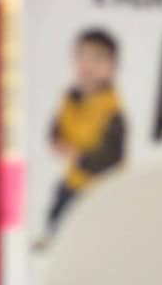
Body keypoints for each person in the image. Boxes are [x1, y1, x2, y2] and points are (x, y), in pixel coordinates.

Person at [40, 29, 127, 246]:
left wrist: (80, 158)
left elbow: (112, 158)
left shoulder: (112, 111)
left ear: (112, 66)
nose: (88, 66)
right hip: (73, 181)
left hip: (101, 187)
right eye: (82, 57)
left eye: (97, 58)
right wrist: (56, 140)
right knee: (59, 213)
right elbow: (57, 127)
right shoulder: (70, 98)